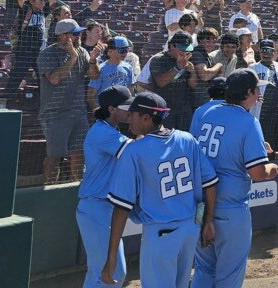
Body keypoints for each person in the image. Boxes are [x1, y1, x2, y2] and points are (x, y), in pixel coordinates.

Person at [101, 92, 218, 288]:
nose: (128, 119)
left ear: (147, 118)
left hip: (161, 235)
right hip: (189, 231)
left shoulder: (134, 151)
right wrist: (209, 220)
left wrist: (111, 256)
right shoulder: (187, 139)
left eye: (133, 114)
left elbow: (121, 207)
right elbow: (211, 183)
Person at [190, 69, 278, 288]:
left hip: (200, 206)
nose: (259, 93)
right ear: (248, 92)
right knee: (229, 276)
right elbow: (258, 174)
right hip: (230, 209)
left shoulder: (208, 113)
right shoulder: (248, 122)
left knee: (204, 270)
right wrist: (272, 167)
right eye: (257, 89)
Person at [77, 86, 134, 288]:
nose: (131, 111)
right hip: (96, 207)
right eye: (127, 107)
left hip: (105, 208)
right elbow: (136, 151)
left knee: (111, 271)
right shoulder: (102, 132)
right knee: (107, 271)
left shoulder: (110, 130)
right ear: (111, 109)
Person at [37, 19, 101, 184]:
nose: (79, 36)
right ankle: (49, 192)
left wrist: (93, 60)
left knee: (79, 153)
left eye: (79, 33)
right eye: (75, 33)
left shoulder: (83, 52)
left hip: (78, 113)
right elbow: (54, 79)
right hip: (55, 114)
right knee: (54, 156)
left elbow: (94, 76)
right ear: (62, 36)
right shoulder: (47, 54)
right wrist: (72, 56)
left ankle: (76, 189)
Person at [7, 0, 64, 101]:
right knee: (15, 78)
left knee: (43, 79)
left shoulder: (43, 11)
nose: (43, 2)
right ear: (32, 1)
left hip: (39, 53)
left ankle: (46, 101)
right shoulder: (25, 10)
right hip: (24, 52)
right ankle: (4, 101)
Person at [248, 39, 278, 154]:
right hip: (262, 109)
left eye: (269, 51)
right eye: (263, 50)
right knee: (265, 138)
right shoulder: (252, 68)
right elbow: (248, 87)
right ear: (259, 52)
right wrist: (254, 94)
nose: (266, 54)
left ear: (274, 52)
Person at [144, 31, 197, 131]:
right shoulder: (158, 59)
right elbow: (160, 82)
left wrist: (192, 71)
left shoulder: (188, 58)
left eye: (186, 49)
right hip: (165, 111)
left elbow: (193, 85)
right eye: (181, 49)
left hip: (184, 111)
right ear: (172, 45)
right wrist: (178, 67)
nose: (184, 52)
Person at [86, 37, 135, 108]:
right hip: (106, 110)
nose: (125, 53)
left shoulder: (128, 67)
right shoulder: (100, 69)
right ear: (110, 51)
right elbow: (90, 96)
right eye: (121, 50)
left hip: (122, 110)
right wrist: (97, 112)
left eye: (127, 50)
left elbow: (131, 91)